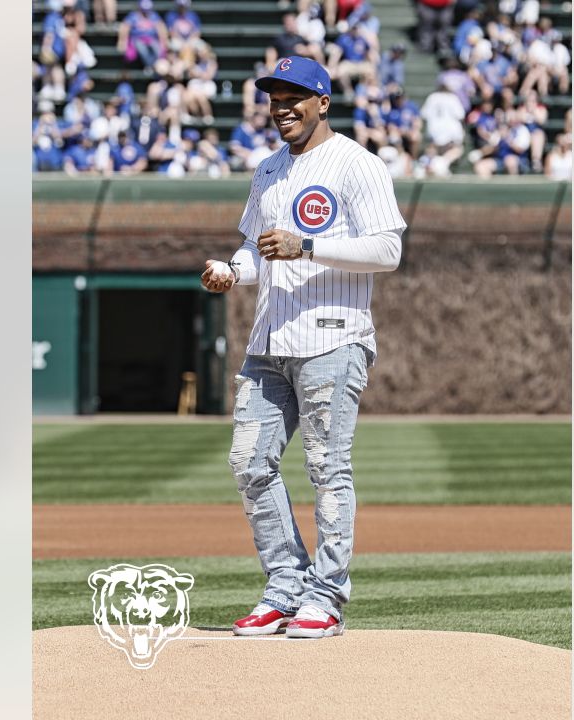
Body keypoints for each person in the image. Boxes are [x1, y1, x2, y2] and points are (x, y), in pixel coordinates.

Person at [200, 56, 405, 640]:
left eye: (295, 96)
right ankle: (284, 588)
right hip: (269, 340)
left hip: (333, 338)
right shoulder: (267, 170)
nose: (282, 107)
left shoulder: (356, 165)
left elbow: (388, 251)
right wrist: (229, 270)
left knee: (326, 467)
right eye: (274, 97)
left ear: (322, 103)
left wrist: (307, 246)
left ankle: (328, 596)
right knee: (248, 462)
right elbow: (254, 250)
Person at [117, 0, 168, 73]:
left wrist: (163, 41)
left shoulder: (153, 15)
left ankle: (157, 66)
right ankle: (150, 66)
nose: (145, 12)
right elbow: (125, 27)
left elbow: (161, 28)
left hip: (151, 39)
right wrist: (122, 41)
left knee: (157, 48)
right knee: (142, 49)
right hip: (137, 39)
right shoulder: (133, 16)